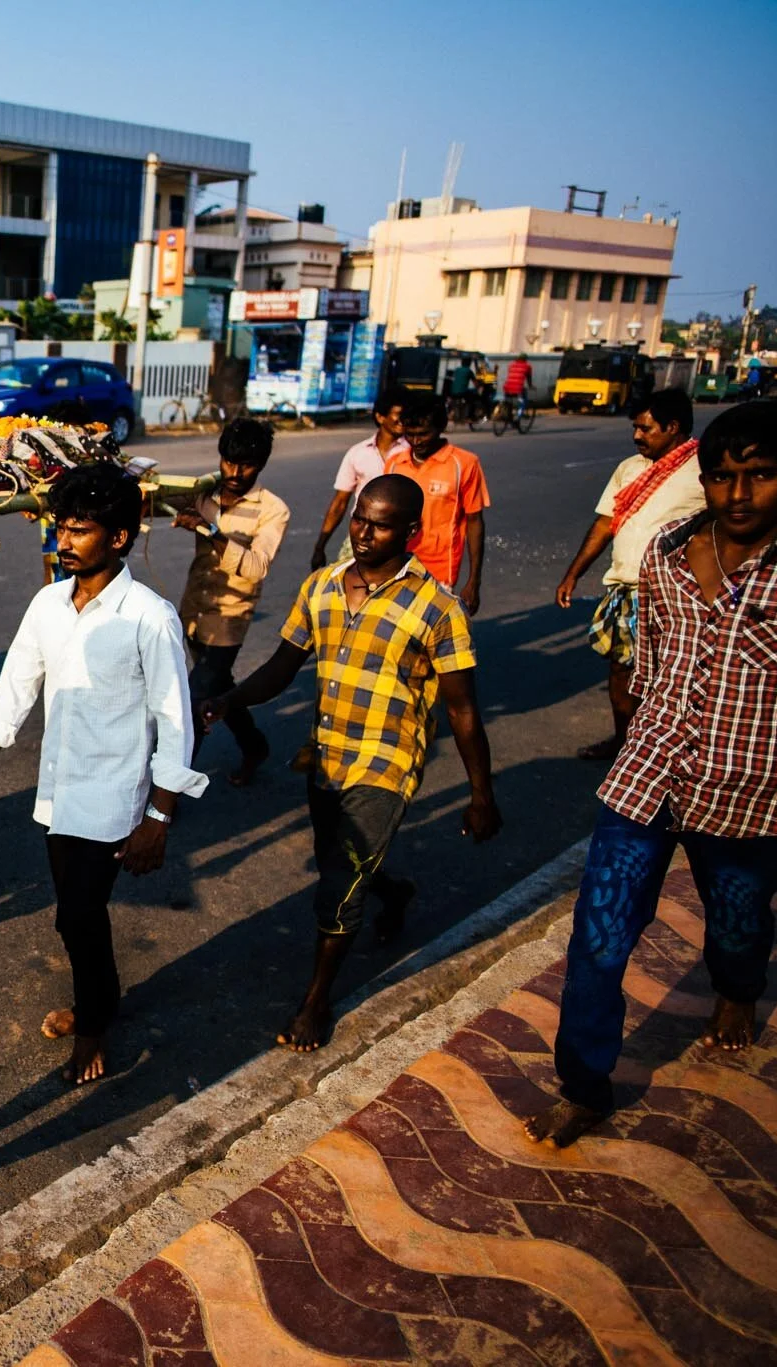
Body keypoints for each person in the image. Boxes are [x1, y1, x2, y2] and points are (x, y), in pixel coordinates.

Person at [526, 400, 777, 1149]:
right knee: (599, 938)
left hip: (750, 795)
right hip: (645, 782)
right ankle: (584, 1084)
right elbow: (648, 671)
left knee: (738, 925)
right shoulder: (664, 554)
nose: (738, 495)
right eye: (722, 477)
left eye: (760, 476)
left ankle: (737, 991)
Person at [202, 474, 501, 1052]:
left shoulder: (438, 609)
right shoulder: (322, 587)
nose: (362, 532)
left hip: (387, 764)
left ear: (411, 532)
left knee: (339, 882)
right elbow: (284, 665)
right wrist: (228, 700)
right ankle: (396, 892)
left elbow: (463, 711)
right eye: (359, 518)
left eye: (379, 523)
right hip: (328, 752)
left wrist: (481, 794)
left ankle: (316, 1000)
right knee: (336, 858)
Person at [0, 463, 206, 1085]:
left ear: (118, 538)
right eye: (59, 529)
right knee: (75, 914)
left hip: (114, 799)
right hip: (60, 793)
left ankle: (94, 1024)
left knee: (80, 917)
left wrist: (159, 817)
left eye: (78, 531)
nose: (62, 542)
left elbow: (176, 722)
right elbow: (16, 686)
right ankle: (101, 1001)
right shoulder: (48, 604)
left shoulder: (149, 616)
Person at [555, 389, 705, 762]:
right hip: (626, 589)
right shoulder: (629, 469)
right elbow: (606, 522)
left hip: (676, 594)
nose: (637, 436)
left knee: (671, 678)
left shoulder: (704, 468)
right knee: (621, 670)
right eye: (635, 428)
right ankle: (625, 744)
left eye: (646, 428)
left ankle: (669, 750)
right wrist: (573, 573)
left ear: (673, 427)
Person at [175, 417, 289, 785]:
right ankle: (254, 745)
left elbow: (256, 566)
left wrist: (208, 530)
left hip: (228, 621)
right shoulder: (203, 489)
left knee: (191, 705)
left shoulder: (274, 510)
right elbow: (146, 502)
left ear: (263, 465)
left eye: (247, 465)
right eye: (229, 461)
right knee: (220, 688)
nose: (235, 472)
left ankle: (168, 794)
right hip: (192, 611)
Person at [384, 390, 491, 612]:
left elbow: (474, 522)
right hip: (395, 568)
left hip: (439, 573)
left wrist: (474, 580)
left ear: (440, 427)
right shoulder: (395, 463)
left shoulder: (465, 464)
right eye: (410, 434)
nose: (415, 441)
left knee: (426, 641)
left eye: (423, 434)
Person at [309, 388, 404, 570]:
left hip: (397, 542)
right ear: (380, 417)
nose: (403, 421)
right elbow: (340, 503)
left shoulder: (412, 454)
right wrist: (320, 546)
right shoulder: (358, 453)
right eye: (397, 415)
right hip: (361, 536)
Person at [502, 353, 533, 420]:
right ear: (525, 359)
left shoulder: (511, 365)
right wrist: (531, 386)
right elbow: (529, 379)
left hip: (507, 387)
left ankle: (509, 416)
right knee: (523, 401)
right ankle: (519, 416)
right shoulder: (527, 366)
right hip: (518, 388)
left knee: (509, 401)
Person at [445, 357, 475, 424]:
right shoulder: (469, 371)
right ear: (469, 363)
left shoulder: (457, 370)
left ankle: (452, 413)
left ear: (461, 363)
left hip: (452, 392)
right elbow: (475, 383)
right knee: (472, 400)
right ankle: (469, 417)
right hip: (462, 392)